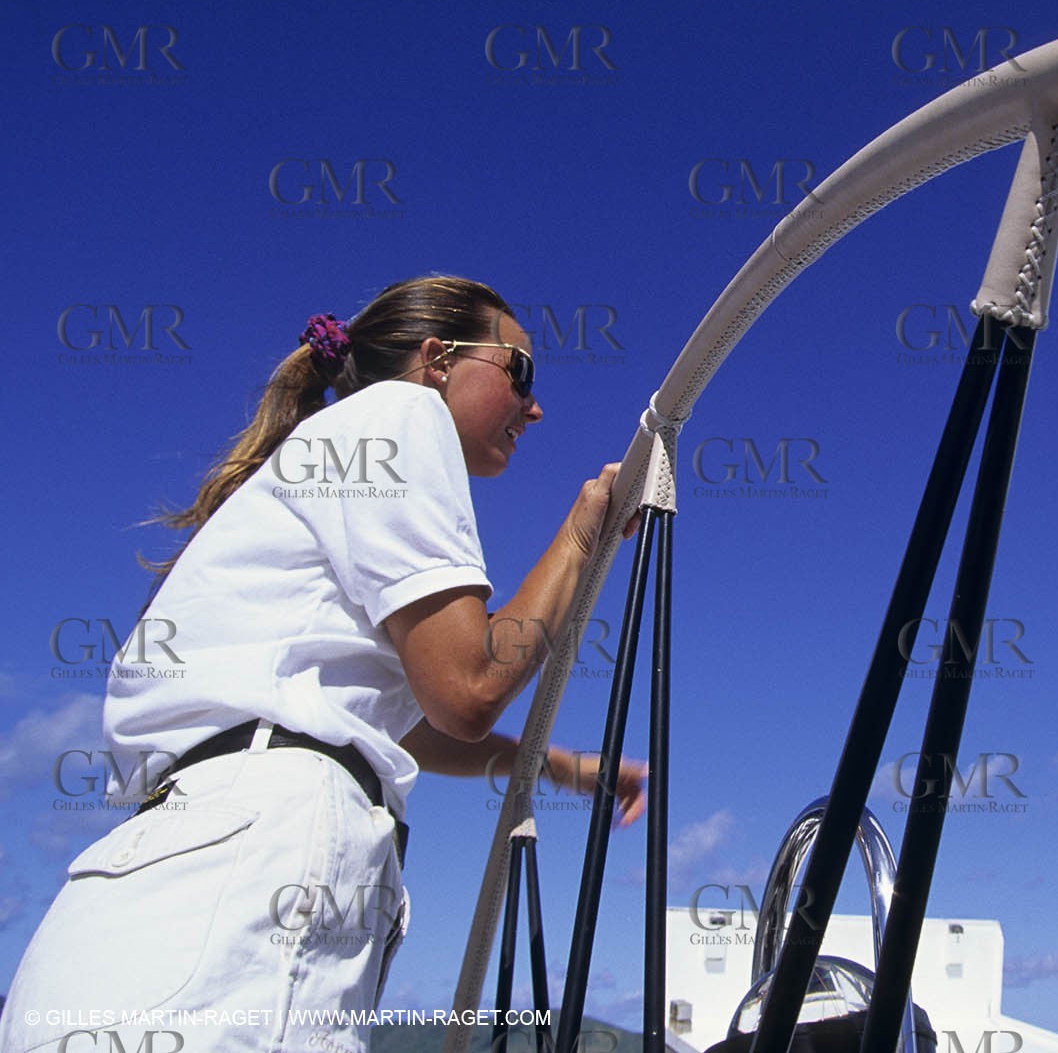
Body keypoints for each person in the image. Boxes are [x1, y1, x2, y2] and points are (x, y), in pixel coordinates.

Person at [0, 275, 645, 1052]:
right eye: (521, 372)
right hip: (246, 884)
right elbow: (468, 689)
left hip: (140, 916)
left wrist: (567, 768)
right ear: (437, 359)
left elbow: (397, 727)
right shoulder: (399, 417)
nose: (535, 407)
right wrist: (582, 538)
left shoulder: (326, 457)